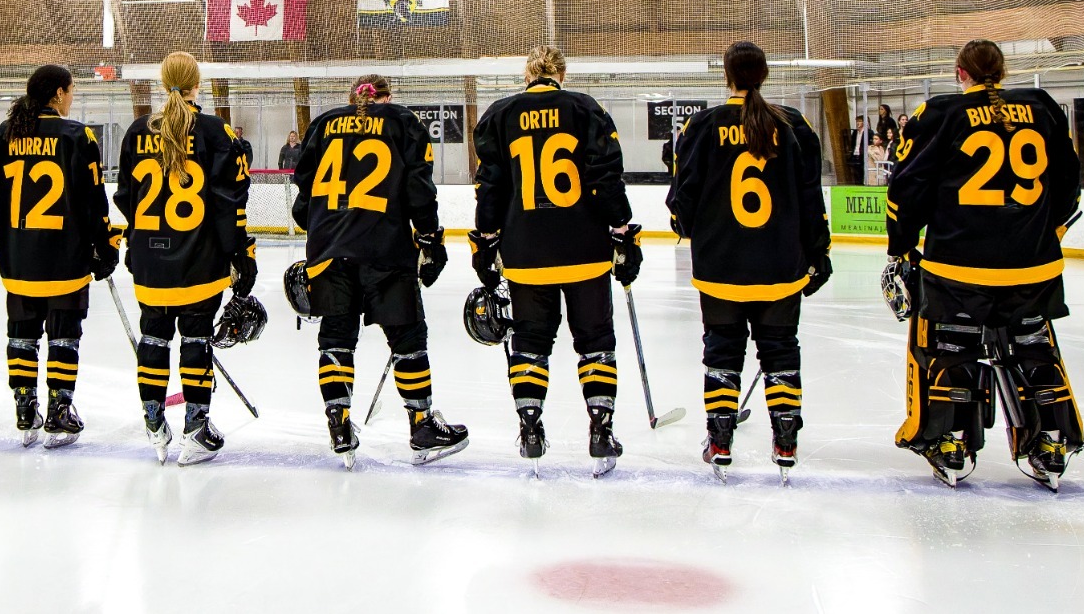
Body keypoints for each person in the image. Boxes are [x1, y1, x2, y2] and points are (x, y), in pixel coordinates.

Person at [885, 39, 1084, 489]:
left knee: (950, 348)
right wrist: (1044, 232)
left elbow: (907, 188)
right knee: (1033, 346)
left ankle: (950, 440)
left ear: (961, 73)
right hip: (1034, 267)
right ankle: (1051, 440)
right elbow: (1068, 181)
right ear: (1003, 70)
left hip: (957, 268)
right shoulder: (1041, 106)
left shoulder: (940, 112)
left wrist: (901, 248)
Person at [471, 46, 640, 475]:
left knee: (530, 343)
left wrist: (486, 241)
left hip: (526, 253)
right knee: (596, 342)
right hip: (586, 251)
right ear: (561, 74)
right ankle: (601, 431)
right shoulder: (585, 108)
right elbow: (606, 177)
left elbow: (491, 187)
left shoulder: (500, 114)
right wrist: (623, 231)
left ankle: (530, 430)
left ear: (527, 74)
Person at [668, 42, 829, 481]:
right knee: (781, 351)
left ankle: (720, 441)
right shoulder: (792, 125)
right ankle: (786, 441)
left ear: (727, 75)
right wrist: (819, 252)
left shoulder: (703, 124)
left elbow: (683, 199)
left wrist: (692, 228)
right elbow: (810, 197)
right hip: (780, 267)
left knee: (722, 351)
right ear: (764, 75)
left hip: (721, 267)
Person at [292, 74, 467, 467]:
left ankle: (339, 426)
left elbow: (303, 200)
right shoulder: (402, 121)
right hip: (384, 247)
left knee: (336, 338)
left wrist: (324, 225)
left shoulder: (323, 123)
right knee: (408, 337)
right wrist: (429, 239)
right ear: (387, 98)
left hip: (330, 250)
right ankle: (421, 426)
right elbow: (419, 189)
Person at [115, 52, 251, 465]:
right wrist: (241, 255)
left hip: (149, 261)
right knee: (196, 340)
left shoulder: (137, 131)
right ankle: (196, 429)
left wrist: (140, 240)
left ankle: (155, 426)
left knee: (153, 339)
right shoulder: (214, 131)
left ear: (163, 83)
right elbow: (230, 201)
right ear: (197, 84)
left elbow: (126, 197)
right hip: (200, 260)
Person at [0, 64, 114, 447]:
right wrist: (105, 246)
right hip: (66, 258)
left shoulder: (6, 133)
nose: (72, 97)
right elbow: (94, 200)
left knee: (22, 335)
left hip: (18, 258)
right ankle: (59, 410)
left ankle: (25, 409)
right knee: (64, 336)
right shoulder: (77, 135)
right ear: (58, 93)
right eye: (71, 90)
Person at [849, 116, 869, 183]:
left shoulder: (868, 132)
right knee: (855, 172)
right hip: (855, 154)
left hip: (863, 155)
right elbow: (852, 143)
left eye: (860, 121)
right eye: (857, 121)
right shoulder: (855, 132)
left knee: (862, 172)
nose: (858, 123)